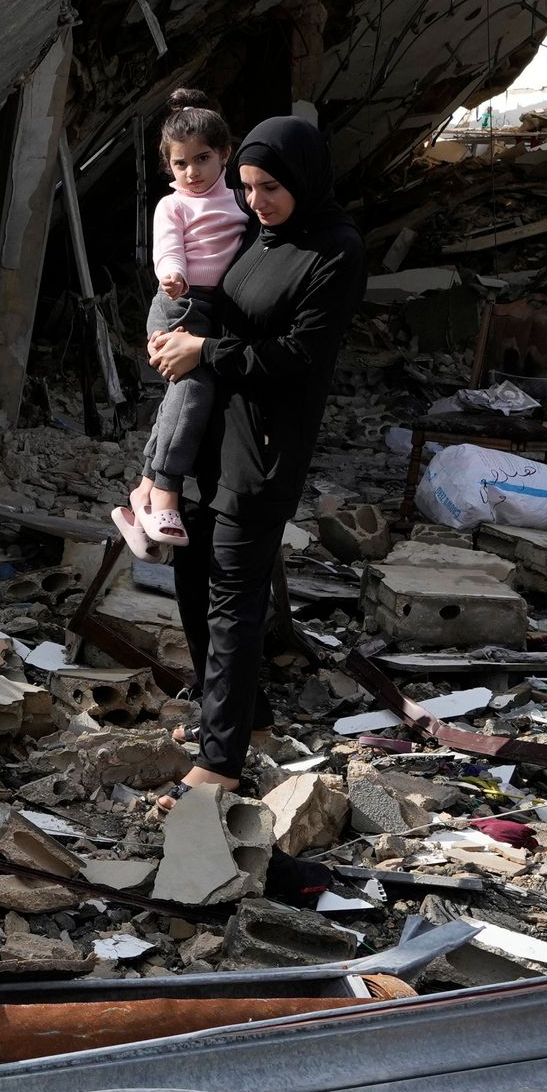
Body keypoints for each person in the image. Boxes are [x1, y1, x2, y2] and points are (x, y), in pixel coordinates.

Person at [143, 113, 362, 794]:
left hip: (263, 447)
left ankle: (221, 759)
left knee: (233, 597)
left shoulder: (334, 250)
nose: (257, 200)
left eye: (271, 187)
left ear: (302, 179)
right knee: (191, 581)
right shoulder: (253, 236)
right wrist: (177, 332)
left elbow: (302, 356)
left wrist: (205, 351)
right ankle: (246, 717)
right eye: (246, 187)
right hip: (209, 438)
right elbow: (214, 302)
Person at [108, 88, 245, 562]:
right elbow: (168, 248)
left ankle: (142, 495)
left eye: (202, 159)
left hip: (218, 310)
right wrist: (174, 275)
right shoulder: (175, 206)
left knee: (182, 395)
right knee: (196, 388)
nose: (193, 172)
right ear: (170, 166)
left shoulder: (242, 202)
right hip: (180, 304)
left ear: (224, 154)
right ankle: (165, 490)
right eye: (181, 164)